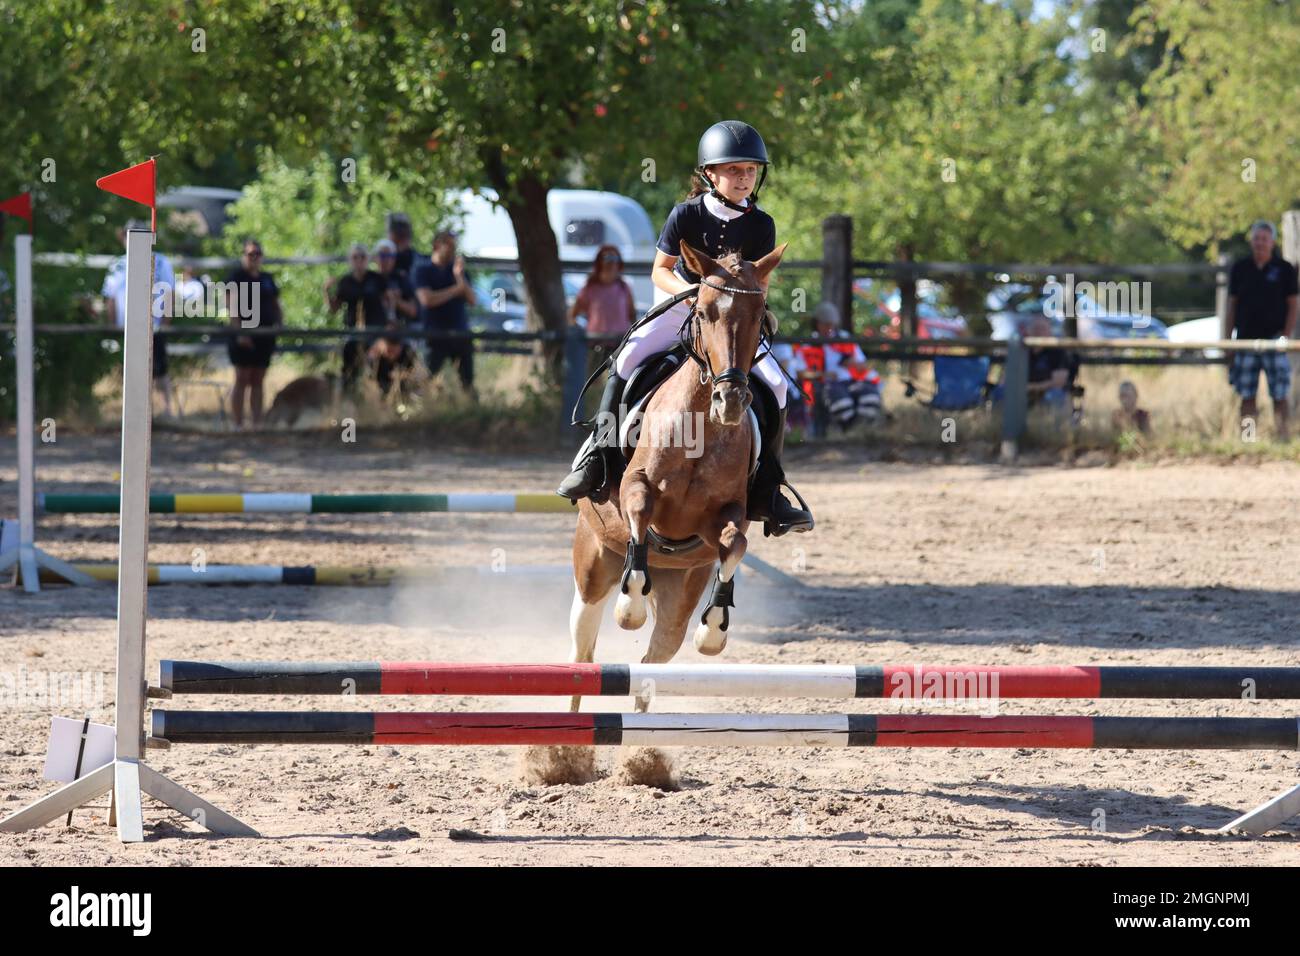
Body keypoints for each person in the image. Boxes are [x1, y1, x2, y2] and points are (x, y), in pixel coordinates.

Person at [557, 120, 813, 536]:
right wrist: (694, 294)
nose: (743, 178)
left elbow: (759, 282)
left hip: (730, 320)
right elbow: (660, 272)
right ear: (710, 173)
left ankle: (769, 487)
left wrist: (751, 310)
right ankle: (598, 459)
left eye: (750, 170)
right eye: (734, 170)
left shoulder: (761, 225)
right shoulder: (686, 215)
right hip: (680, 308)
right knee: (626, 360)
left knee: (777, 384)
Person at [1226, 220, 1299, 440]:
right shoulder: (1240, 268)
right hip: (1246, 340)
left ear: (1272, 242)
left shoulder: (1284, 269)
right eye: (1256, 238)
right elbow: (1232, 305)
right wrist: (1227, 340)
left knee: (1279, 393)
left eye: (1264, 239)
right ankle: (1248, 439)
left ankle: (1282, 438)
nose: (1260, 243)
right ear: (1251, 241)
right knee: (1247, 395)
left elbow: (1293, 304)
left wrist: (1286, 335)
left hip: (1274, 339)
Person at [103, 219, 176, 416]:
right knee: (130, 372)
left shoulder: (161, 261)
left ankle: (166, 410)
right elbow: (110, 297)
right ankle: (134, 412)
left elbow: (169, 293)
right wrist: (112, 326)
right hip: (126, 328)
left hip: (155, 327)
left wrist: (165, 324)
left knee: (159, 370)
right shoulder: (117, 265)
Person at [224, 238, 282, 428]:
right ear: (243, 256)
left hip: (264, 336)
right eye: (250, 254)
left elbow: (275, 304)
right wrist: (240, 333)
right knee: (242, 377)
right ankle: (237, 424)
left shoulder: (267, 279)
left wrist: (280, 324)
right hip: (242, 334)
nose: (254, 258)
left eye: (257, 254)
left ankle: (257, 424)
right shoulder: (236, 277)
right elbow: (231, 307)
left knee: (258, 379)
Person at [413, 230, 478, 394]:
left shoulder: (458, 271)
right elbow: (427, 300)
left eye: (454, 245)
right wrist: (456, 290)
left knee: (467, 383)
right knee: (427, 379)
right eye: (448, 245)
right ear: (437, 245)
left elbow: (472, 300)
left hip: (460, 333)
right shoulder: (423, 269)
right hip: (434, 334)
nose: (452, 249)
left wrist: (459, 277)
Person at [324, 242, 387, 391]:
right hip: (353, 332)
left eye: (362, 256)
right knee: (349, 371)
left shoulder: (377, 278)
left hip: (376, 331)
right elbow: (334, 309)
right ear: (350, 260)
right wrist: (326, 291)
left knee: (378, 369)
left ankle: (380, 402)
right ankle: (349, 401)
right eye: (355, 257)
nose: (359, 260)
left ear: (368, 259)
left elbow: (388, 302)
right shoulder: (345, 282)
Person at [371, 238, 419, 398]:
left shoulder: (402, 279)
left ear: (394, 258)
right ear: (375, 258)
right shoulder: (370, 280)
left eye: (389, 256)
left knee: (408, 353)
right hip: (374, 333)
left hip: (400, 333)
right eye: (381, 256)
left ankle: (407, 395)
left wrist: (396, 301)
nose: (385, 260)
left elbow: (413, 310)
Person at [570, 245, 636, 338]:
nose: (611, 262)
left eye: (615, 258)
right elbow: (572, 315)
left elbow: (632, 315)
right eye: (607, 258)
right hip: (595, 343)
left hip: (619, 343)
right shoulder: (589, 288)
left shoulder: (624, 288)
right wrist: (579, 334)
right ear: (599, 262)